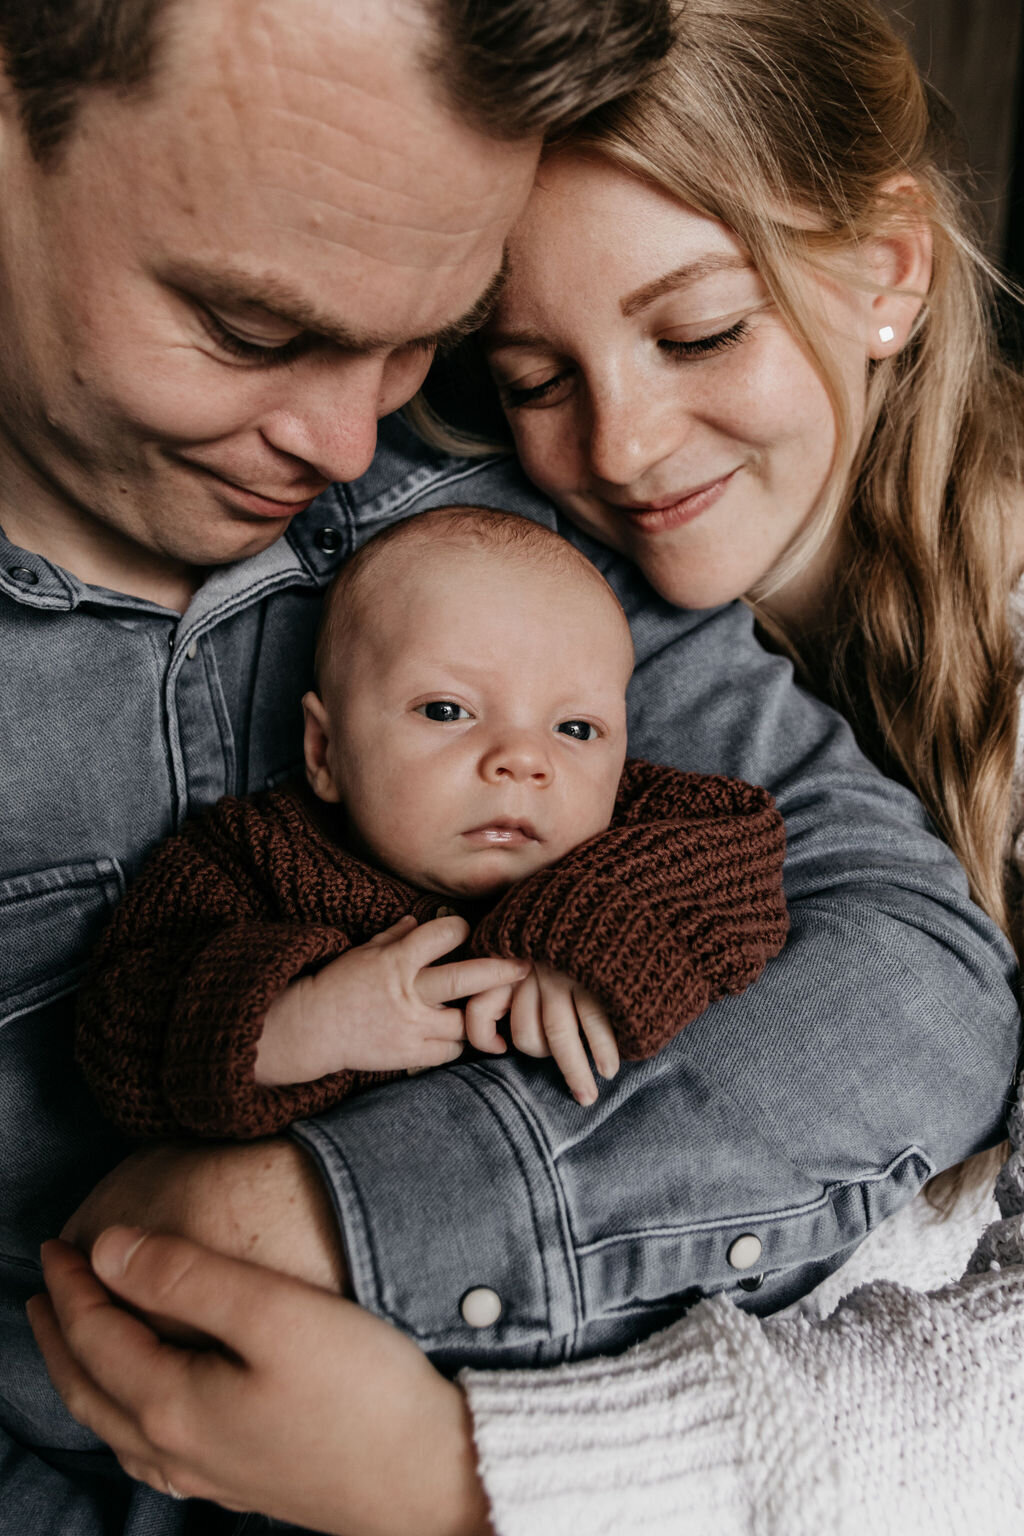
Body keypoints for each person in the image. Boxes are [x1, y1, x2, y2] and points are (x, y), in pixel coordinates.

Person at [27, 0, 1024, 1532]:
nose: (619, 447)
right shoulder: (552, 553)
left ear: (890, 272)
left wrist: (453, 1446)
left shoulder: (590, 592)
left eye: (696, 330)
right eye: (525, 377)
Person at [0, 0, 680, 1530]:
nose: (352, 448)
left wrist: (308, 1217)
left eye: (425, 339)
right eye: (255, 328)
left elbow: (904, 969)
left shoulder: (506, 495)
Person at [74, 507, 788, 1136]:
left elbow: (744, 859)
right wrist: (303, 1023)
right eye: (448, 711)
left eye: (575, 728)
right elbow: (118, 1029)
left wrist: (590, 933)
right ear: (324, 751)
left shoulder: (632, 828)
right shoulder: (252, 858)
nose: (522, 759)